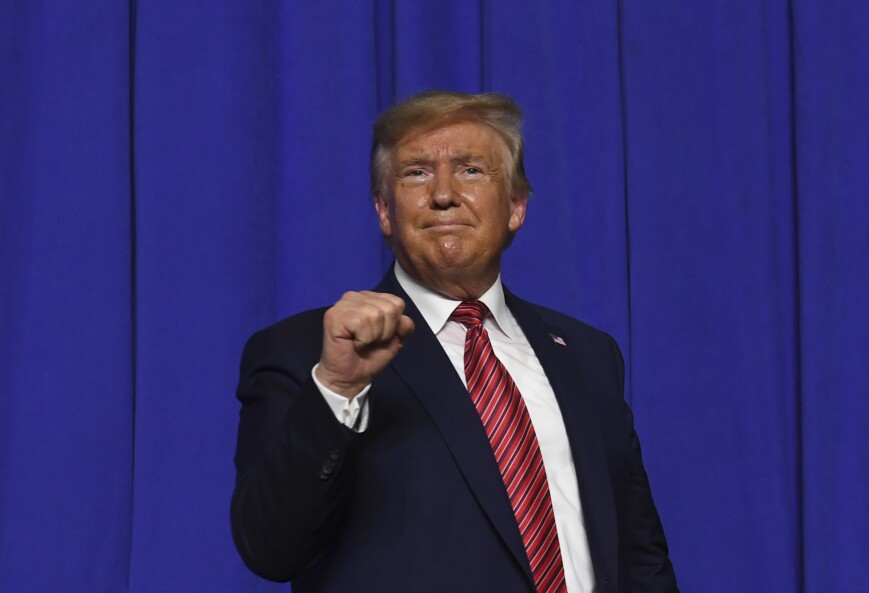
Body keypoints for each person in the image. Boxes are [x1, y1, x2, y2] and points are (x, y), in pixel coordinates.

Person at [231, 91, 678, 593]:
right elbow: (270, 548)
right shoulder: (307, 351)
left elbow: (641, 556)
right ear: (383, 210)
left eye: (471, 170)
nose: (443, 193)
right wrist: (338, 388)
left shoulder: (590, 354)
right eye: (416, 173)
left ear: (515, 206)